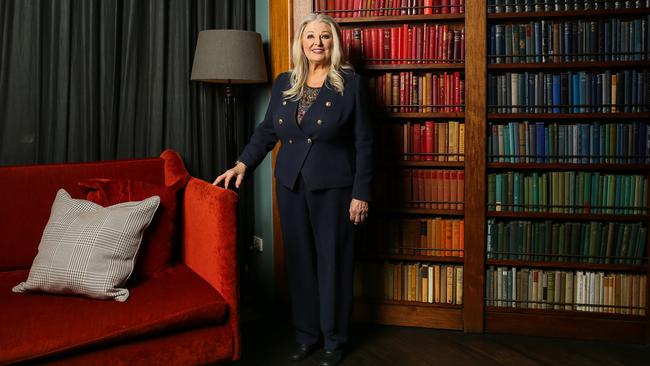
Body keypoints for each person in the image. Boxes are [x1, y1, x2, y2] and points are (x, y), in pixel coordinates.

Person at [213, 12, 372, 366]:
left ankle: (334, 339)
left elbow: (365, 142)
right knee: (300, 264)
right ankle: (306, 336)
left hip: (335, 188)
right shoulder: (286, 82)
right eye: (311, 36)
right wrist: (242, 164)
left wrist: (361, 193)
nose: (318, 42)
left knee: (333, 264)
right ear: (300, 43)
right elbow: (267, 131)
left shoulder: (350, 83)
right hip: (291, 185)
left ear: (334, 43)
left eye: (325, 36)